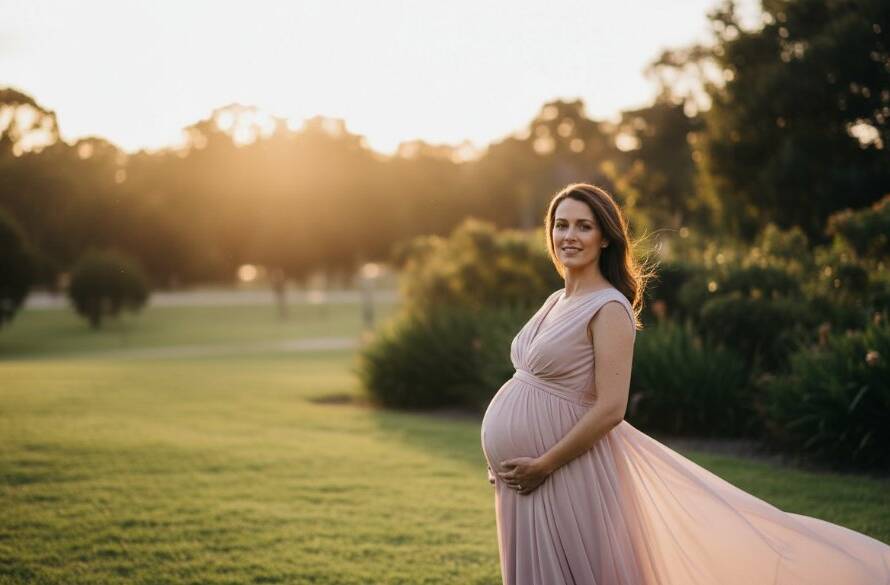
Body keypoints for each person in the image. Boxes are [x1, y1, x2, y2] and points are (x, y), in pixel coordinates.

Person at [479, 183, 890, 585]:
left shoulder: (608, 309)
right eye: (561, 224)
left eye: (583, 226)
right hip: (524, 477)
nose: (569, 236)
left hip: (564, 470)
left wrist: (543, 464)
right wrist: (503, 456)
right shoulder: (556, 299)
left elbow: (610, 409)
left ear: (605, 237)